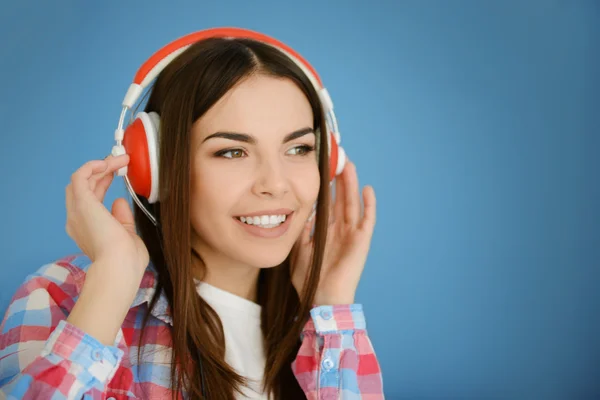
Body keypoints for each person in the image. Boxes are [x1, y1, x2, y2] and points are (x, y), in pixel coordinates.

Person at [0, 27, 383, 399]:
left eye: (298, 148)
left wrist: (331, 309)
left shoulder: (321, 332)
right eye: (232, 151)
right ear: (159, 167)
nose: (276, 184)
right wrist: (111, 283)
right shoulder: (61, 297)